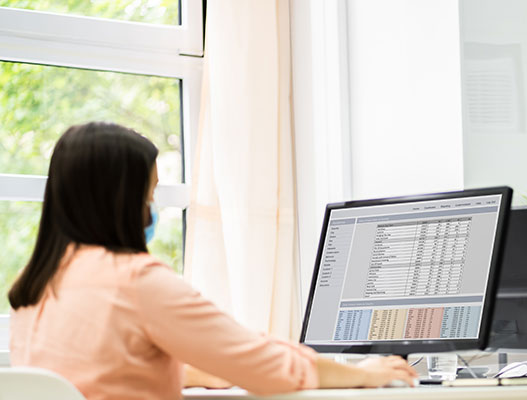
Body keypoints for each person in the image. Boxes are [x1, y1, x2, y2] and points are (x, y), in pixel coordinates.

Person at [8, 122, 417, 400]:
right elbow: (265, 368)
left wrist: (189, 370)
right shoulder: (135, 281)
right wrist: (366, 374)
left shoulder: (37, 284)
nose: (150, 211)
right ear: (121, 201)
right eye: (148, 196)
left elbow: (96, 373)